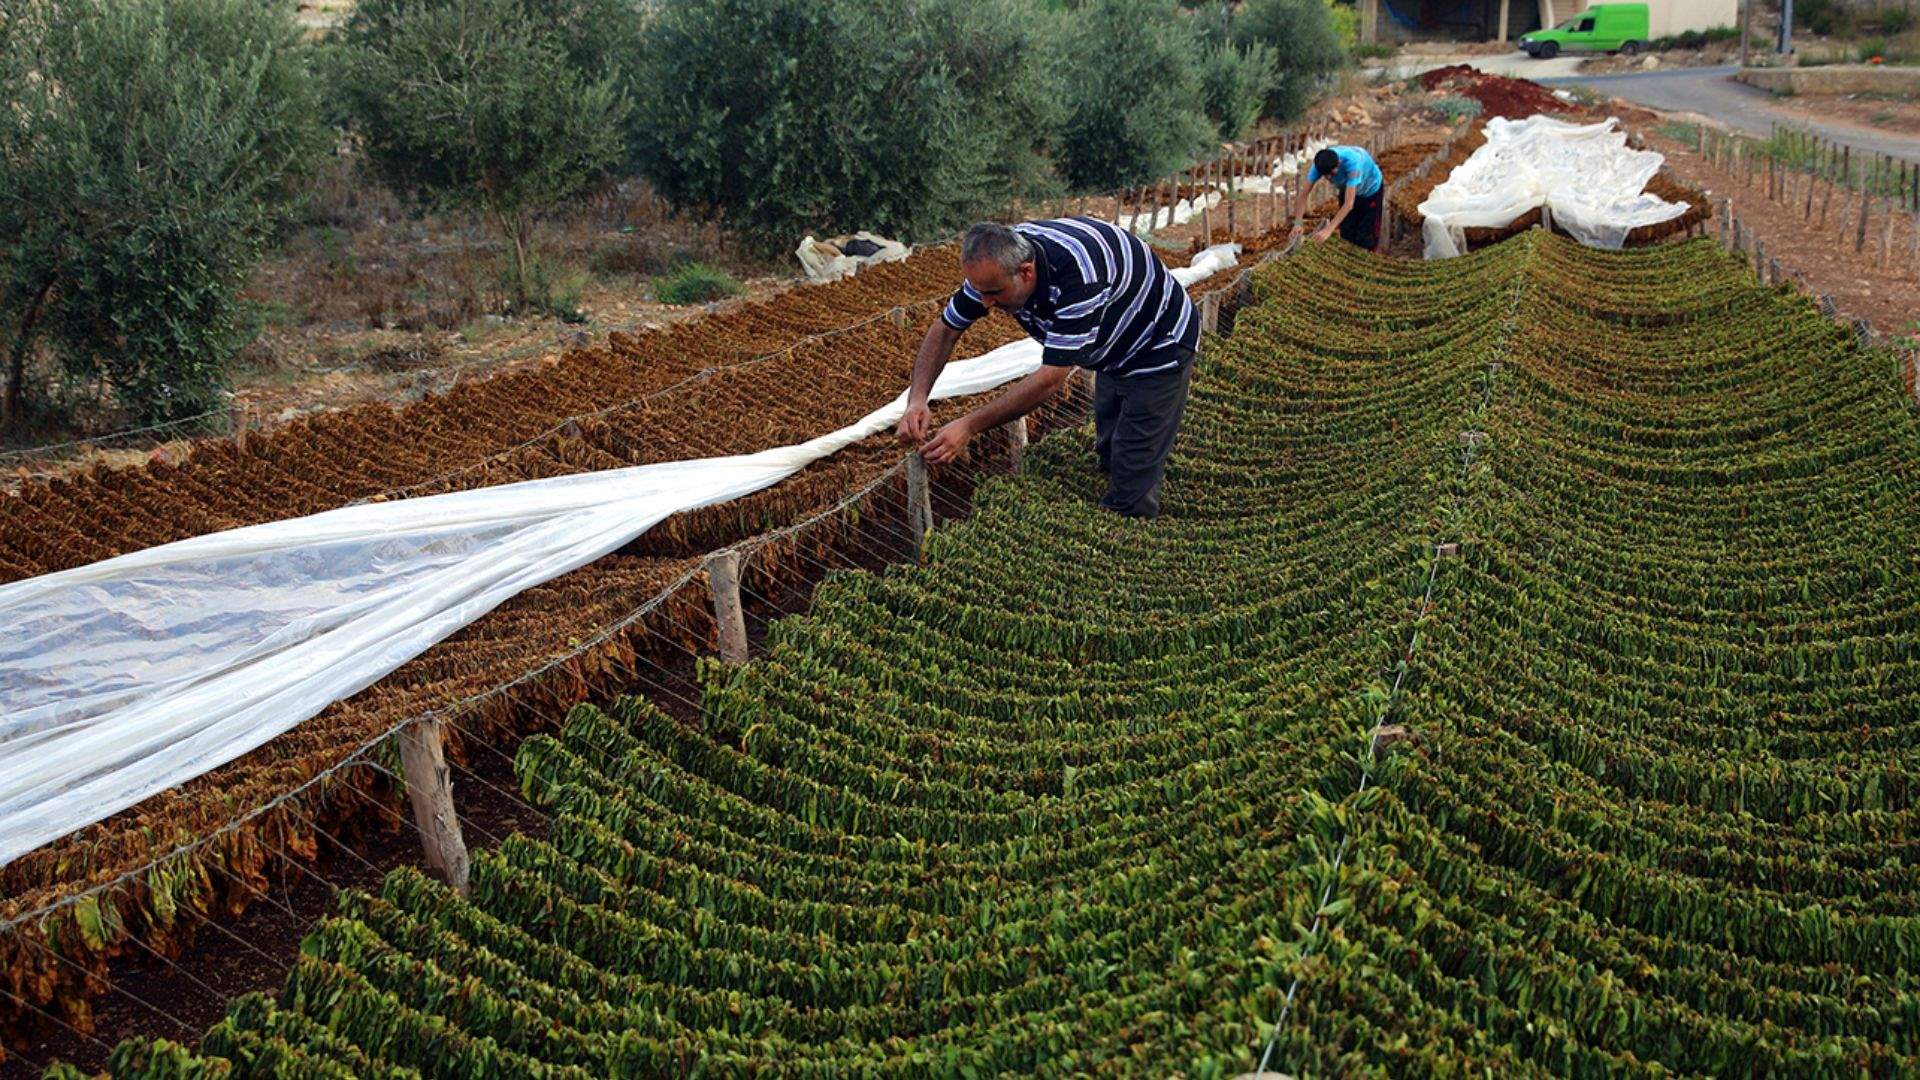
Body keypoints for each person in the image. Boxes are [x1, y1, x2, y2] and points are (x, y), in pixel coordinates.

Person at [895, 219, 1199, 519]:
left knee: (1133, 473)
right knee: (1110, 450)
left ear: (1027, 272)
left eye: (995, 293)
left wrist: (969, 426)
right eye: (980, 291)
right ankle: (1120, 478)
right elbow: (946, 329)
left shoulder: (1079, 278)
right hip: (1110, 349)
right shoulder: (997, 267)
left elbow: (1050, 379)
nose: (985, 303)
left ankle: (1130, 529)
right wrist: (917, 399)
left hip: (1158, 345)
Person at [1289, 145, 1384, 251]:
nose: (1329, 178)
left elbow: (1349, 204)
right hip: (1348, 189)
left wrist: (1328, 230)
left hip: (1371, 191)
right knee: (1347, 233)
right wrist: (1297, 223)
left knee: (1366, 236)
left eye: (1332, 173)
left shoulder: (1353, 164)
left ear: (1339, 163)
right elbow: (1303, 195)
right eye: (1325, 175)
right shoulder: (1319, 166)